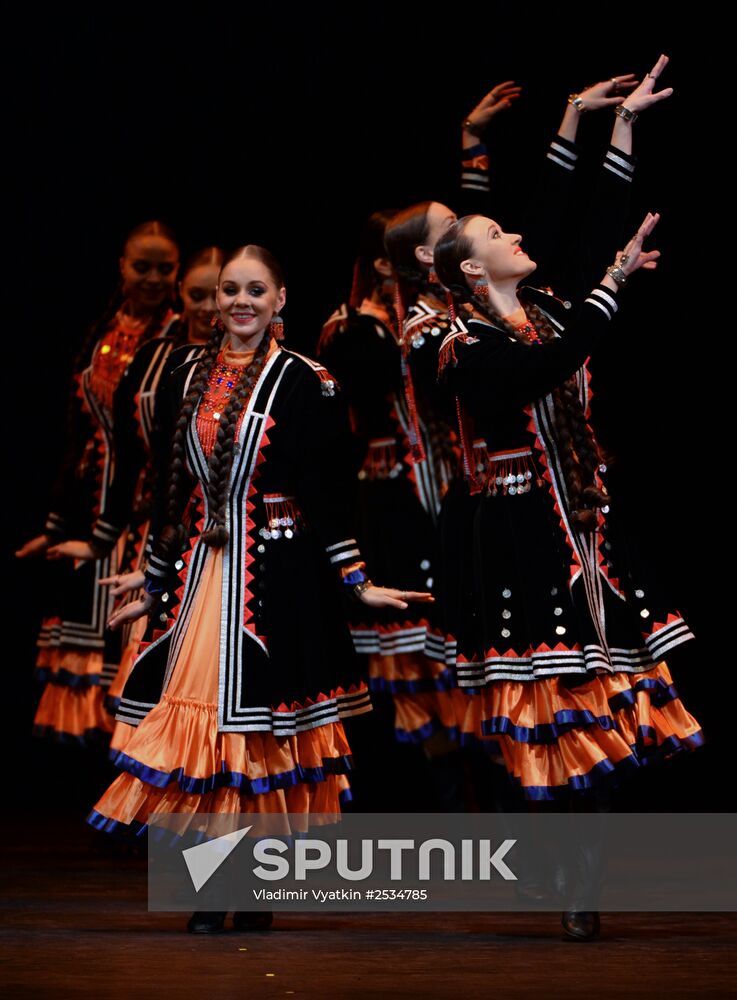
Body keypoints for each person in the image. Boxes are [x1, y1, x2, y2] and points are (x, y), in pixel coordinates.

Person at [432, 56, 703, 939]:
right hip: (517, 537)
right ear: (472, 274)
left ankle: (578, 882)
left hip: (583, 528)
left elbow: (568, 221)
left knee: (600, 702)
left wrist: (601, 126)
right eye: (494, 234)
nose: (515, 233)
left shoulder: (542, 303)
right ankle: (547, 874)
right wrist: (612, 288)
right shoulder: (462, 343)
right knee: (545, 716)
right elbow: (539, 370)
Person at [86, 244, 431, 933]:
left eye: (254, 290)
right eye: (229, 291)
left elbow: (325, 493)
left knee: (261, 739)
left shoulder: (306, 380)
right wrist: (153, 576)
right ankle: (214, 888)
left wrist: (355, 580)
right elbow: (173, 492)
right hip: (205, 573)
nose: (239, 301)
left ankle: (257, 884)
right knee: (209, 733)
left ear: (280, 302)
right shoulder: (186, 371)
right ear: (216, 303)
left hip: (276, 575)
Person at [43, 247, 226, 720]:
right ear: (182, 296)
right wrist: (97, 537)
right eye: (198, 294)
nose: (209, 306)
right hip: (155, 528)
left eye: (220, 293)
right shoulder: (153, 359)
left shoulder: (259, 364)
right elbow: (124, 455)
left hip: (221, 537)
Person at [16, 221, 180, 745]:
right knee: (87, 645)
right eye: (142, 266)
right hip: (94, 503)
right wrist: (55, 522)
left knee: (129, 648)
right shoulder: (104, 330)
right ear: (121, 267)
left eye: (165, 268)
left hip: (142, 513)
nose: (153, 278)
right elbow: (78, 431)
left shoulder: (177, 336)